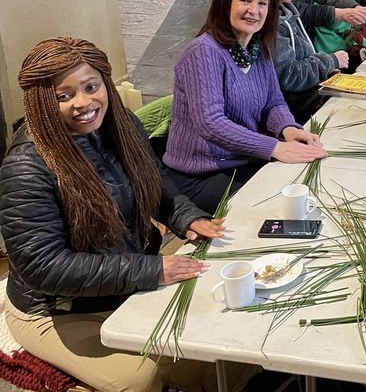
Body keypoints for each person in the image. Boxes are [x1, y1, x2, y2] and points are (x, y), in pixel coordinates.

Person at [0, 38, 223, 392]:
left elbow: (154, 178)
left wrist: (185, 215)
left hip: (119, 283)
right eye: (64, 95)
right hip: (57, 308)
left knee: (206, 351)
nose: (84, 103)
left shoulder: (120, 124)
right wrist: (150, 269)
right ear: (41, 101)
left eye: (91, 87)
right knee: (139, 379)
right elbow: (42, 266)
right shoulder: (26, 166)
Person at [163, 0, 327, 214]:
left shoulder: (257, 48)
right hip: (201, 172)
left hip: (239, 160)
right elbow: (211, 123)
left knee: (306, 189)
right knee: (273, 209)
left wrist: (288, 128)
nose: (254, 10)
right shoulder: (204, 51)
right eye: (245, 1)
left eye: (262, 3)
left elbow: (274, 101)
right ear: (225, 3)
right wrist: (273, 147)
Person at [245, 0, 349, 124]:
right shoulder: (264, 21)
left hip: (300, 106)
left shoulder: (285, 9)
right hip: (291, 115)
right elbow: (288, 76)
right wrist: (329, 60)